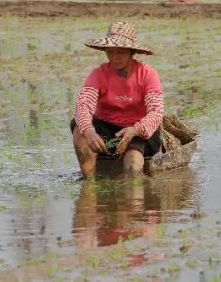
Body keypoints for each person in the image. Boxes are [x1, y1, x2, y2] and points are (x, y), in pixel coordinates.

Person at [71, 22, 165, 178]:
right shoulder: (98, 74)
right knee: (79, 130)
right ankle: (89, 182)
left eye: (120, 52)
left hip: (137, 131)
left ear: (131, 52)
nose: (114, 58)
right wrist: (89, 131)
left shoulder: (148, 74)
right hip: (106, 128)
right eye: (110, 52)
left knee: (133, 164)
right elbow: (83, 105)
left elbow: (156, 112)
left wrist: (135, 129)